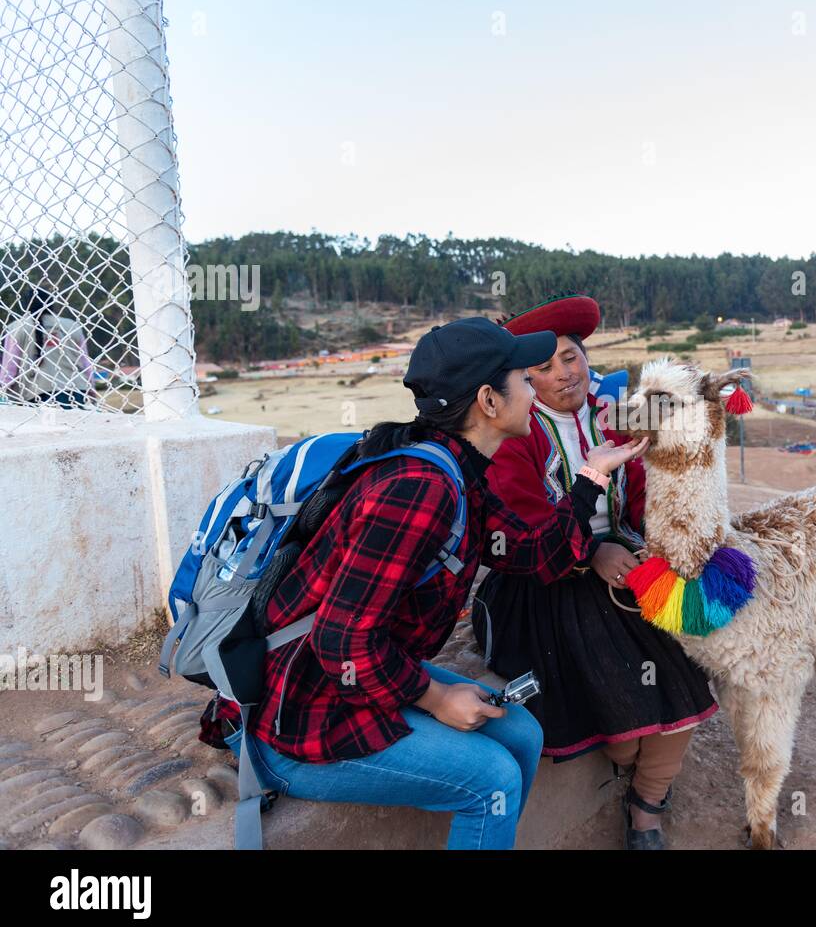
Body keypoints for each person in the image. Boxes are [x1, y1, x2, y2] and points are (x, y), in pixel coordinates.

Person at [197, 317, 648, 849]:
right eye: (525, 379)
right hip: (301, 716)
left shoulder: (457, 467)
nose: (536, 389)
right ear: (489, 400)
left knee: (523, 733)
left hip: (348, 678)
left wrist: (592, 476)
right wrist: (435, 697)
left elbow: (534, 555)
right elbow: (341, 642)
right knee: (493, 781)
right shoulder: (418, 489)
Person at [472, 293, 718, 849]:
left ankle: (646, 808)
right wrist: (591, 554)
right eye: (544, 366)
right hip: (545, 578)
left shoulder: (616, 416)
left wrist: (655, 545)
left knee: (683, 663)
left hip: (627, 560)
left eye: (571, 357)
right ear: (522, 379)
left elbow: (647, 499)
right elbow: (527, 537)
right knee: (616, 690)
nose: (564, 374)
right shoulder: (516, 436)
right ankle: (629, 760)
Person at [0, 288, 95, 407]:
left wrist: (4, 388)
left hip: (36, 392)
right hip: (76, 389)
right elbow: (85, 362)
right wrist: (91, 387)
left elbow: (10, 366)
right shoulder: (72, 325)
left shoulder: (17, 328)